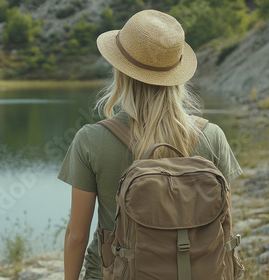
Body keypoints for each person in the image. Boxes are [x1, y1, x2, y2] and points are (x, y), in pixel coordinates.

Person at [57, 9, 243, 280]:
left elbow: (77, 234)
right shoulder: (211, 135)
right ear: (176, 75)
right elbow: (224, 222)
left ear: (120, 70)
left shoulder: (91, 140)